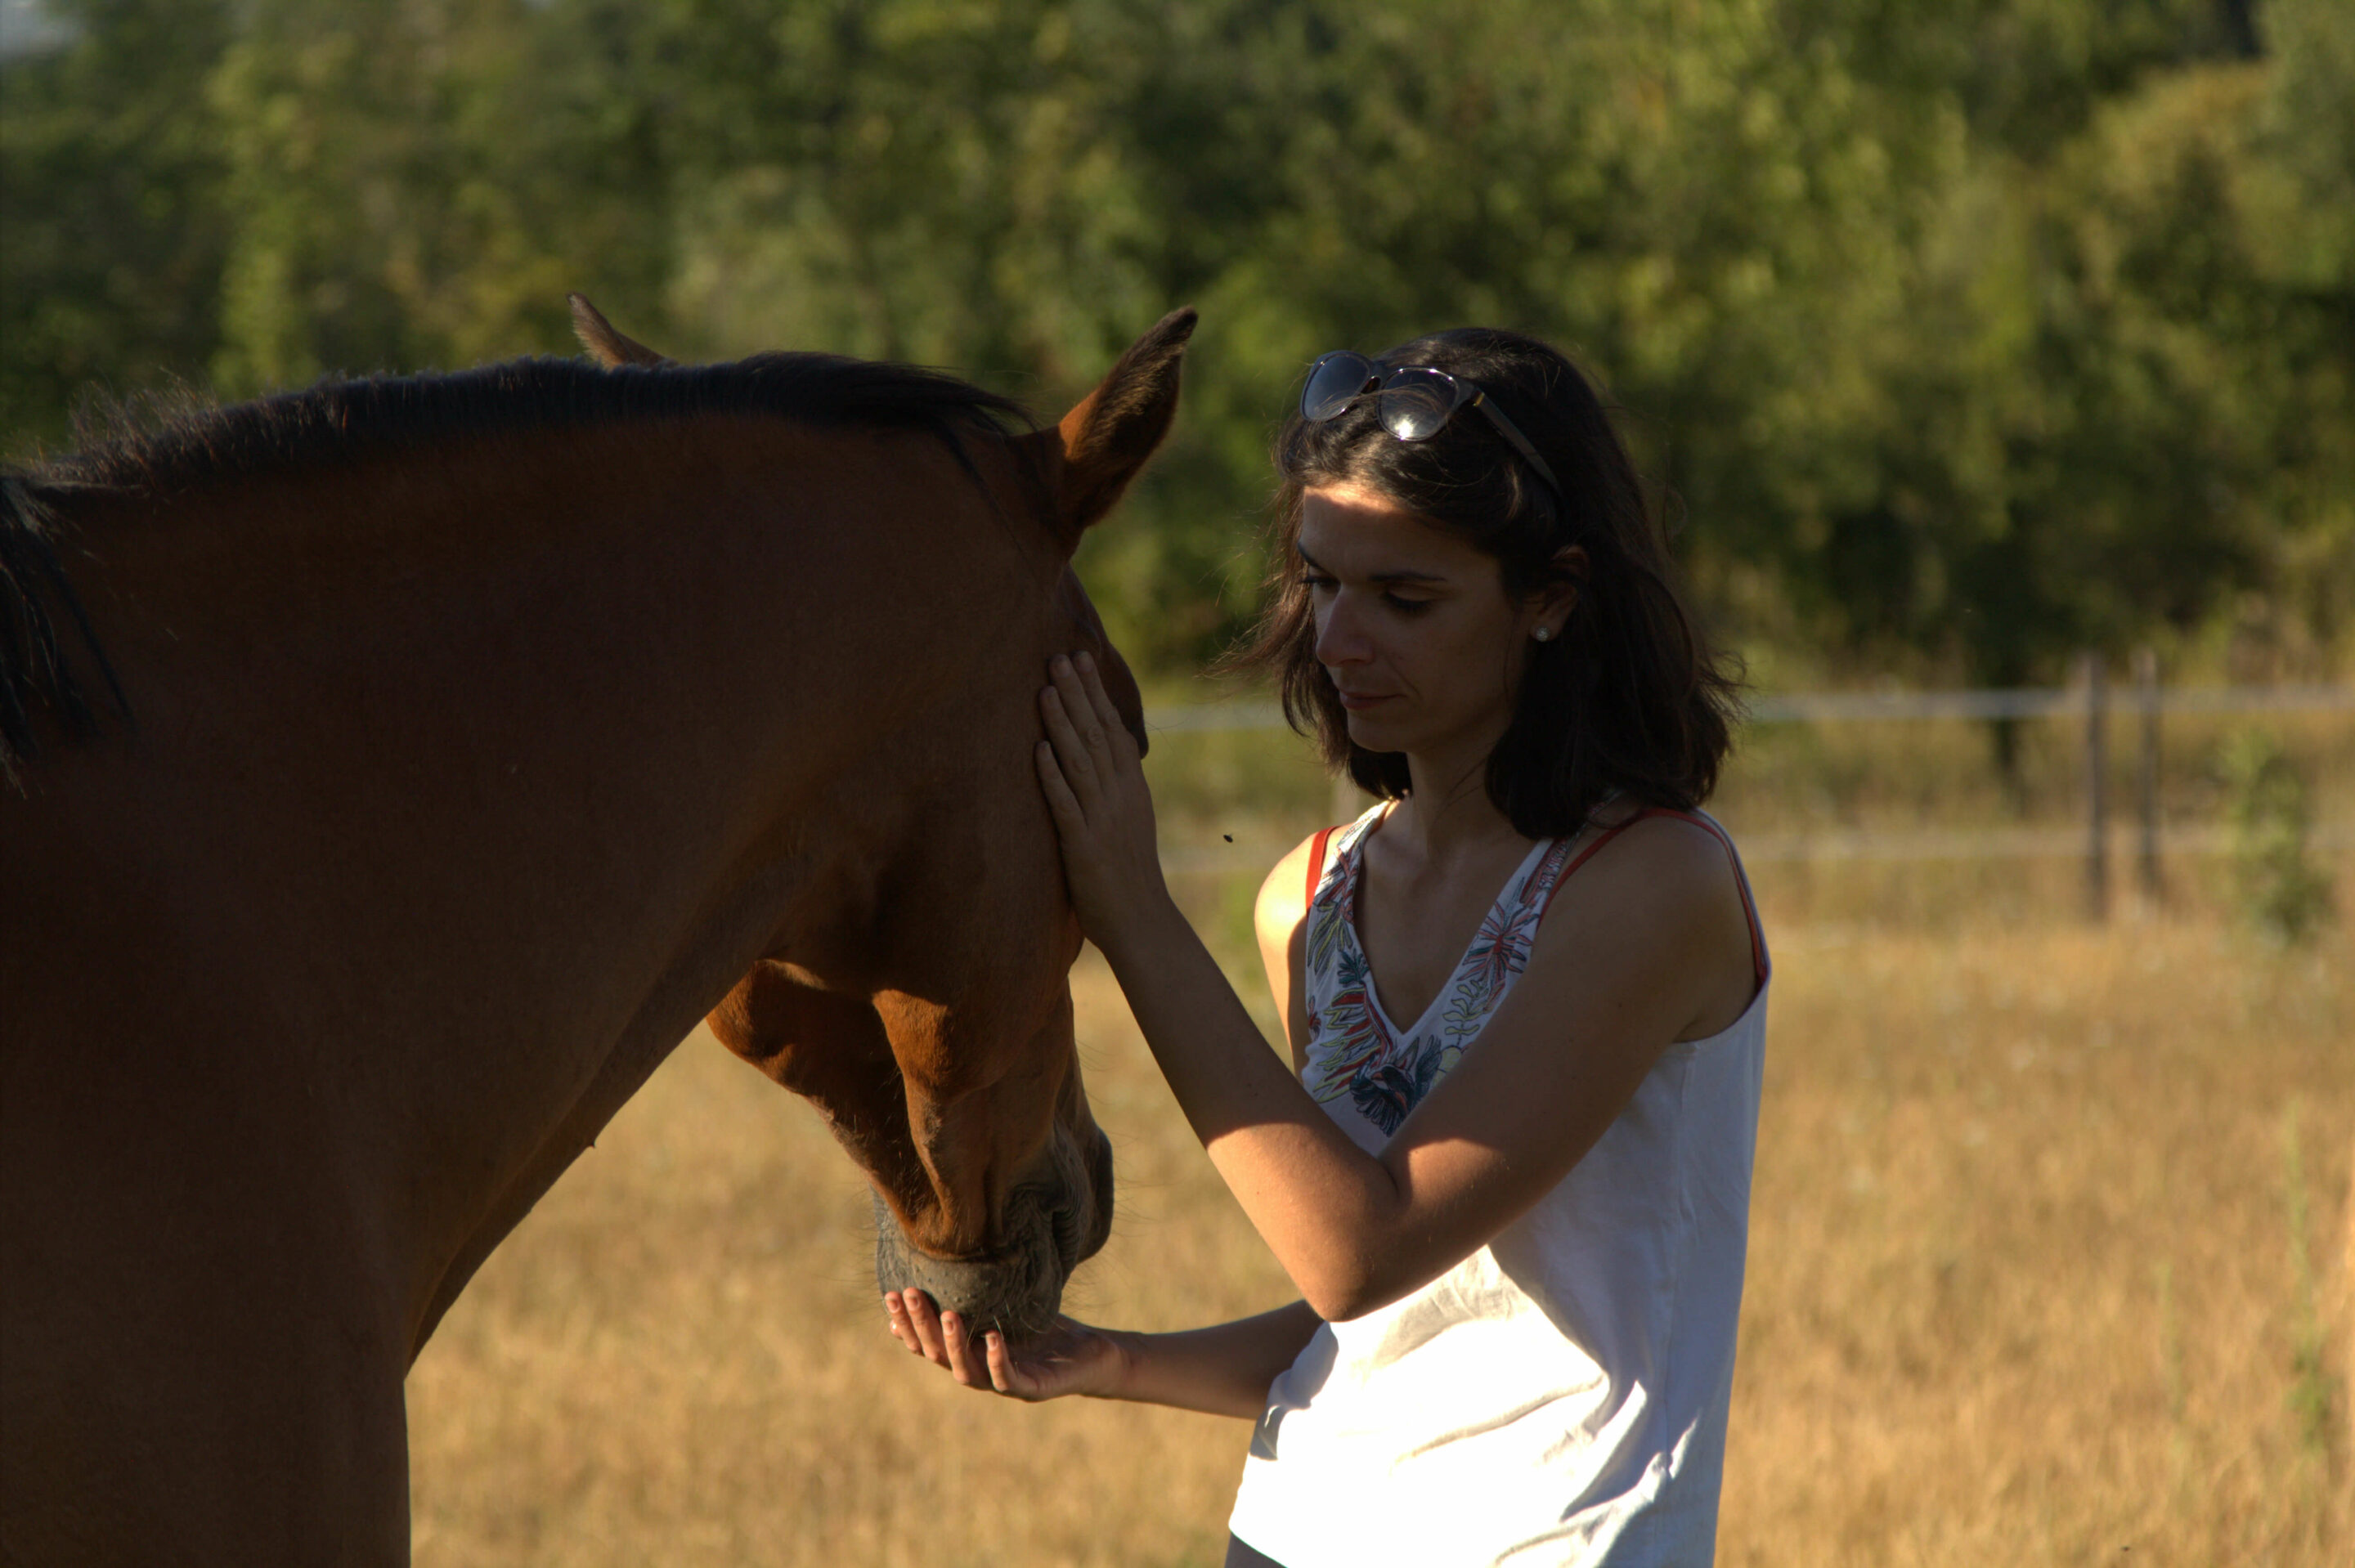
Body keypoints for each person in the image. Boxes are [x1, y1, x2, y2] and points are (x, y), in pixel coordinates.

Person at [884, 329, 1767, 1567]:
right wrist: (1109, 1359)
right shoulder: (1308, 898)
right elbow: (1372, 1316)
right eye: (1324, 581)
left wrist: (1132, 909)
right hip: (1293, 1527)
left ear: (1554, 596)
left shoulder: (1654, 885)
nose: (1340, 639)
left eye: (1406, 598)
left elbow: (1364, 1243)